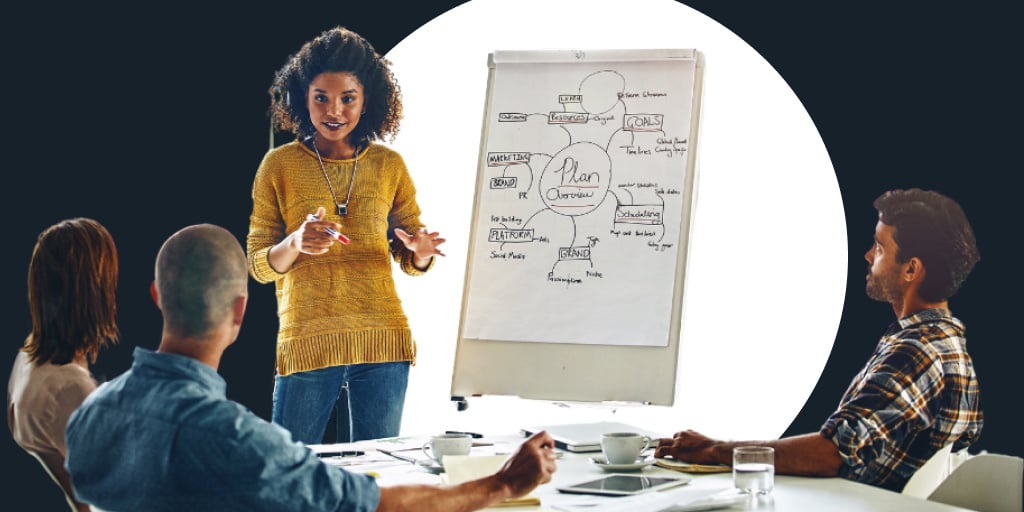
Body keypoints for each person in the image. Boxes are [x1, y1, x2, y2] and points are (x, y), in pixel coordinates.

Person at [65, 223, 555, 511]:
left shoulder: (91, 415)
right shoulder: (234, 440)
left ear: (157, 299)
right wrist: (502, 483)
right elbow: (374, 507)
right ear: (240, 311)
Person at [655, 188, 983, 492]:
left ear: (911, 269)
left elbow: (834, 453)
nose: (868, 256)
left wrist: (714, 450)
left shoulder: (918, 351)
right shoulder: (948, 338)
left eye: (880, 247)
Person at [246, 26, 446, 445]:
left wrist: (421, 251)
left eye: (347, 98)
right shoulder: (278, 165)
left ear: (367, 100)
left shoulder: (389, 164)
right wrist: (297, 243)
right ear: (303, 96)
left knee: (376, 477)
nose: (333, 110)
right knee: (291, 472)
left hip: (383, 341)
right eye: (321, 97)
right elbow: (260, 265)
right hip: (309, 339)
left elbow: (412, 258)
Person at [8, 218, 119, 512]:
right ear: (94, 291)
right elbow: (110, 496)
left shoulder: (27, 356)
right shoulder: (71, 388)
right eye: (109, 279)